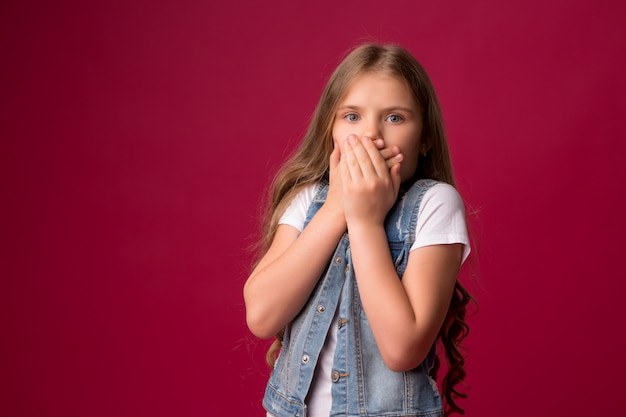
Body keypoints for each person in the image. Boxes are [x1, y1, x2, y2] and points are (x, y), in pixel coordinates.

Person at [244, 43, 474, 417]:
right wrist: (337, 208)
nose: (371, 135)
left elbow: (402, 348)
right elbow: (261, 314)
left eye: (395, 118)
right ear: (329, 131)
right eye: (352, 117)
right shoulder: (308, 201)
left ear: (425, 137)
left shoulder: (436, 204)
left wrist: (365, 221)